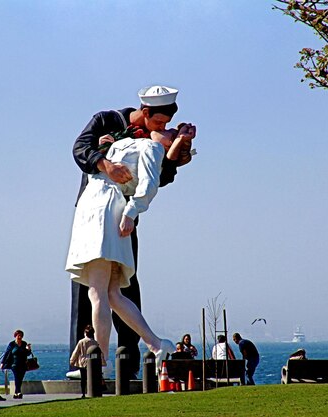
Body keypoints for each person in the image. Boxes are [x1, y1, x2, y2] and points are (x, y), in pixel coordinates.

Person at [70, 85, 197, 375]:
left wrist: (175, 150)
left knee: (104, 289)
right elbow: (80, 149)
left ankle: (102, 357)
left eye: (167, 128)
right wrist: (105, 161)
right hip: (95, 211)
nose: (164, 129)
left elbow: (154, 180)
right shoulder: (108, 122)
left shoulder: (151, 145)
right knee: (108, 291)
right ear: (146, 113)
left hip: (111, 213)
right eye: (160, 124)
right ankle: (147, 344)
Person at [69, 324, 99, 398]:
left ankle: (83, 393)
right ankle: (93, 391)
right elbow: (99, 353)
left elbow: (76, 352)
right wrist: (103, 362)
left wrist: (72, 361)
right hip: (93, 363)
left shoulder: (81, 342)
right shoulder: (95, 342)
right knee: (92, 377)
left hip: (83, 362)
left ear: (85, 333)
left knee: (83, 379)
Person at [1, 329, 32, 399]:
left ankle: (16, 393)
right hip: (14, 364)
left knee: (20, 378)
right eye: (18, 335)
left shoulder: (24, 344)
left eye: (21, 336)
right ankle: (18, 392)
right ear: (15, 336)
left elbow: (28, 354)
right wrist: (3, 362)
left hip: (23, 364)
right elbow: (6, 353)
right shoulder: (12, 344)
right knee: (17, 377)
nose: (20, 337)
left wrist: (28, 349)